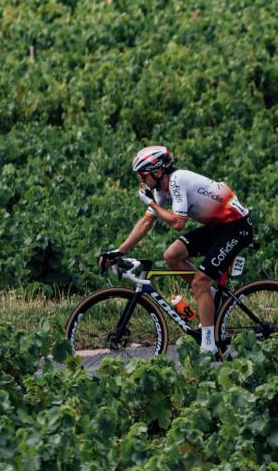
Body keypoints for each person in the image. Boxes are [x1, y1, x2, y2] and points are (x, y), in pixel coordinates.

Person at [100, 145, 252, 354]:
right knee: (172, 255)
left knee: (200, 281)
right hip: (218, 228)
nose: (141, 181)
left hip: (236, 228)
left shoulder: (177, 180)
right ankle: (212, 299)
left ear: (158, 170)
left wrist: (153, 205)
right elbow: (146, 223)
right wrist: (119, 251)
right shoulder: (162, 189)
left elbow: (178, 223)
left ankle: (209, 346)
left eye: (143, 175)